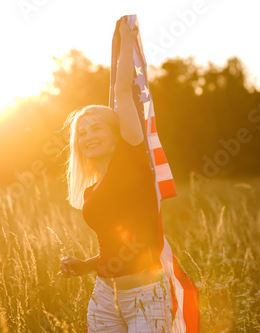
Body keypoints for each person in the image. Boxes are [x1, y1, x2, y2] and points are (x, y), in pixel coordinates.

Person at [59, 19, 173, 332]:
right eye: (82, 133)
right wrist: (84, 266)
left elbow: (122, 89)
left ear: (116, 134)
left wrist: (124, 38)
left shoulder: (132, 160)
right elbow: (112, 249)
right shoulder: (90, 192)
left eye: (96, 128)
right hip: (104, 299)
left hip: (147, 297)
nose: (88, 136)